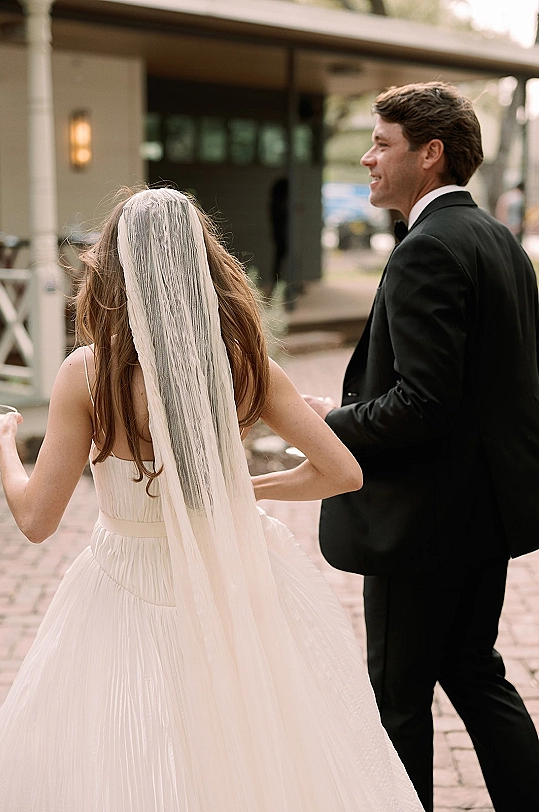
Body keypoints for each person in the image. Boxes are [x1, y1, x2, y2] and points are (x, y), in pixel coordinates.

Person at [0, 187, 424, 811]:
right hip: (235, 574)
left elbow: (35, 520)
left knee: (131, 748)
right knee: (244, 742)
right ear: (205, 264)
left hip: (124, 581)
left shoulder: (88, 374)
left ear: (117, 269)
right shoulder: (244, 364)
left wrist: (4, 442)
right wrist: (239, 492)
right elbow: (342, 473)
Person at [304, 82, 539, 812]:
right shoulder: (499, 242)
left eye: (382, 143)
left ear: (430, 154)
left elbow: (424, 404)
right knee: (474, 671)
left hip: (423, 524)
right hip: (486, 515)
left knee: (396, 701)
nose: (368, 159)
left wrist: (329, 426)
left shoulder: (427, 249)